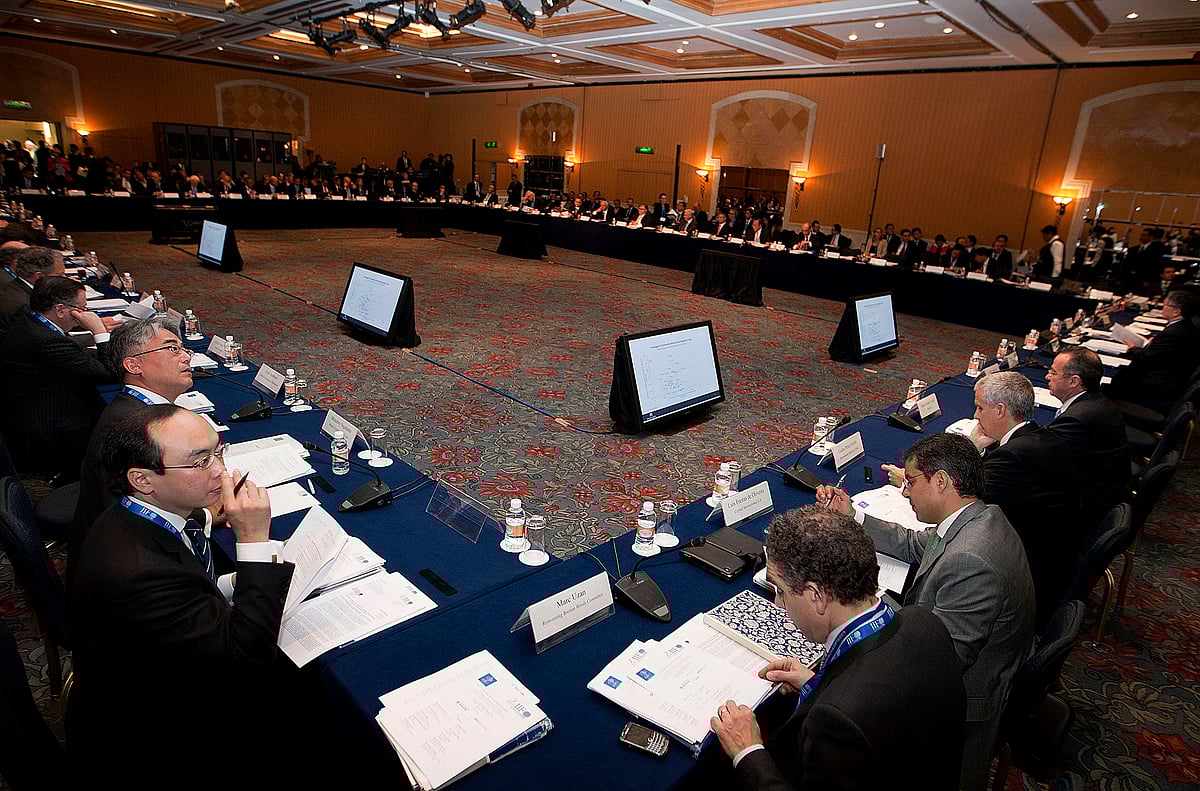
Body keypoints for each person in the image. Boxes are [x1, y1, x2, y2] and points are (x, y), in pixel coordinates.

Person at [68, 405, 297, 785]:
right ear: (142, 479)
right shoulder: (139, 573)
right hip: (158, 734)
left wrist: (232, 583)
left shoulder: (133, 514)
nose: (221, 471)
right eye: (200, 462)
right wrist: (255, 541)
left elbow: (186, 579)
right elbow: (247, 658)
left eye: (218, 452)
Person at [816, 433, 1035, 791]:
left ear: (942, 481)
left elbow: (936, 663)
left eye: (912, 482)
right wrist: (853, 515)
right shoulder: (977, 518)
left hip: (960, 709)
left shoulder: (972, 560)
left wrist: (860, 599)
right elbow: (915, 544)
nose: (904, 491)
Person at [710, 507, 965, 791]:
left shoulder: (837, 722)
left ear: (817, 596)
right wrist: (818, 684)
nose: (779, 605)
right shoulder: (923, 622)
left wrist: (748, 751)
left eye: (781, 590)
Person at [71, 317, 197, 573]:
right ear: (133, 365)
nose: (186, 357)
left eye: (184, 349)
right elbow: (142, 513)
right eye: (172, 348)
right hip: (127, 565)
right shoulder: (133, 426)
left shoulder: (133, 408)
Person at [969, 371, 1082, 629]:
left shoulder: (1013, 456)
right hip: (1060, 551)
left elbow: (965, 498)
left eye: (979, 408)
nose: (976, 416)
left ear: (1000, 410)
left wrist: (974, 449)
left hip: (1032, 572)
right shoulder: (1041, 436)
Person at [0, 275, 117, 480]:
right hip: (51, 426)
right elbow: (107, 373)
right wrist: (98, 330)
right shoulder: (45, 340)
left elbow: (75, 354)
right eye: (81, 309)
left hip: (29, 406)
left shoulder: (31, 321)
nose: (85, 314)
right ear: (60, 309)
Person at [1046, 347, 1131, 531]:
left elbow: (1042, 453)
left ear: (1073, 381)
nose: (1047, 376)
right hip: (1105, 485)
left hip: (1087, 500)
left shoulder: (1079, 417)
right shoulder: (1095, 401)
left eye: (1053, 372)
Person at [1107, 290, 1200, 412]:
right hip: (1174, 376)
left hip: (1162, 383)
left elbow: (1146, 357)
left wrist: (1133, 348)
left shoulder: (1174, 332)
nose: (1163, 307)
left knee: (1118, 378)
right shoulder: (1184, 326)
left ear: (1177, 311)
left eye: (1166, 305)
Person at [0, 245, 65, 333]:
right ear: (39, 276)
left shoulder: (15, 287)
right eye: (60, 275)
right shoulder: (25, 304)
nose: (65, 279)